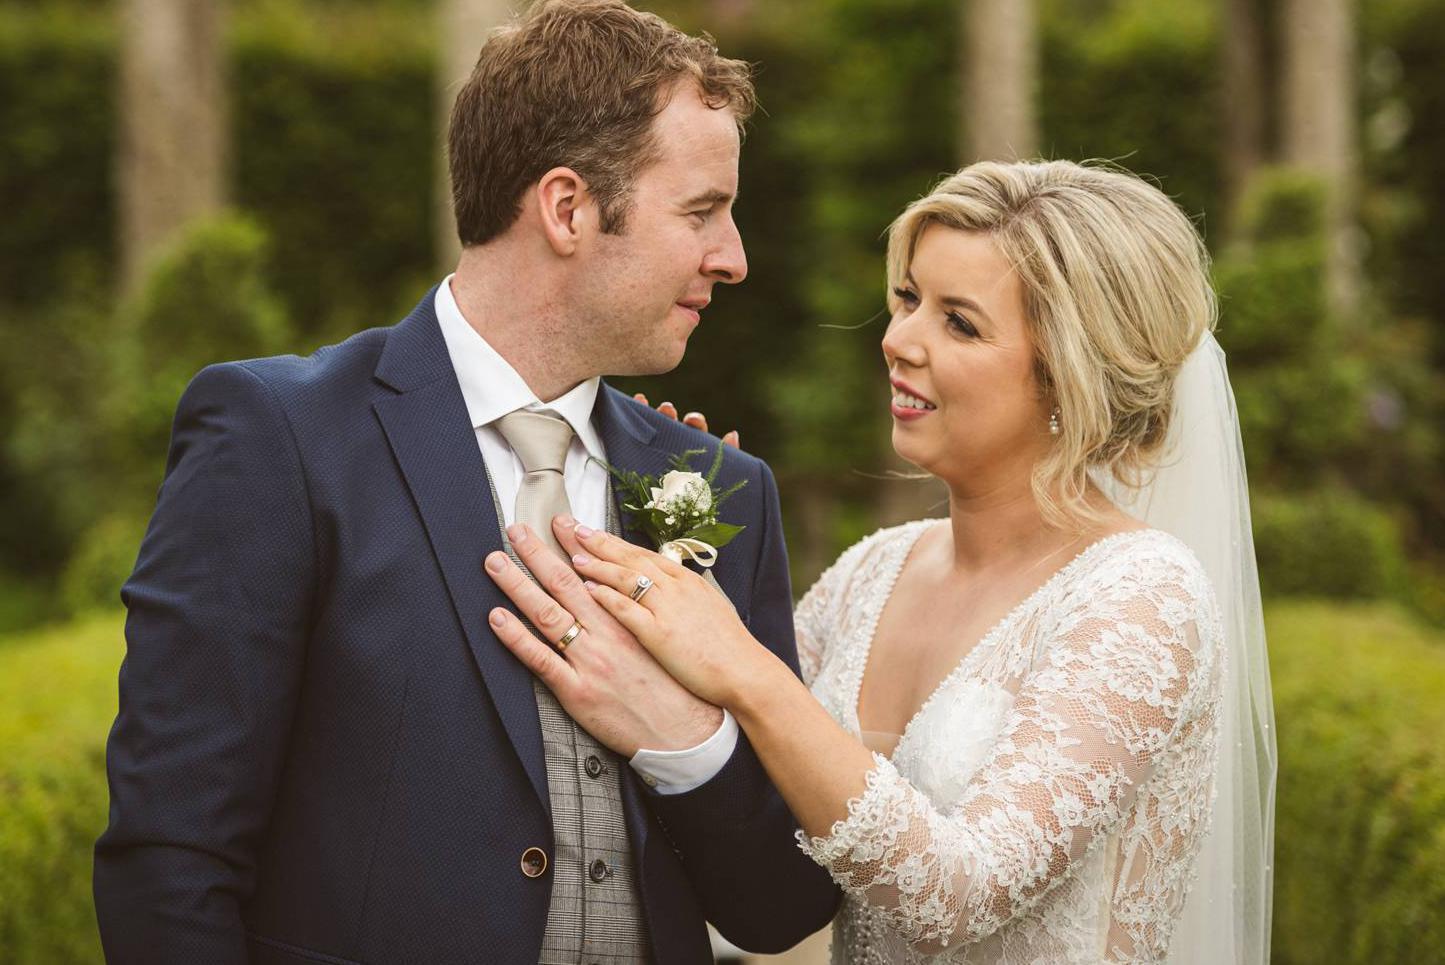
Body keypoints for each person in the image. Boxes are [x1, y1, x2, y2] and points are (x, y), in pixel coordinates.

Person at [92, 2, 839, 962]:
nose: (732, 258)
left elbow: (781, 908)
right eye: (700, 212)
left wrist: (686, 741)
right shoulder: (280, 438)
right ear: (566, 209)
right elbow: (170, 856)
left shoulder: (717, 485)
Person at [488, 160, 1278, 963]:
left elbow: (961, 893)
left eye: (958, 322)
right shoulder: (871, 572)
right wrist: (685, 562)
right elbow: (750, 813)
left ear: (1068, 374)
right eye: (908, 299)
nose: (898, 340)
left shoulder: (1141, 596)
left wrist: (745, 668)